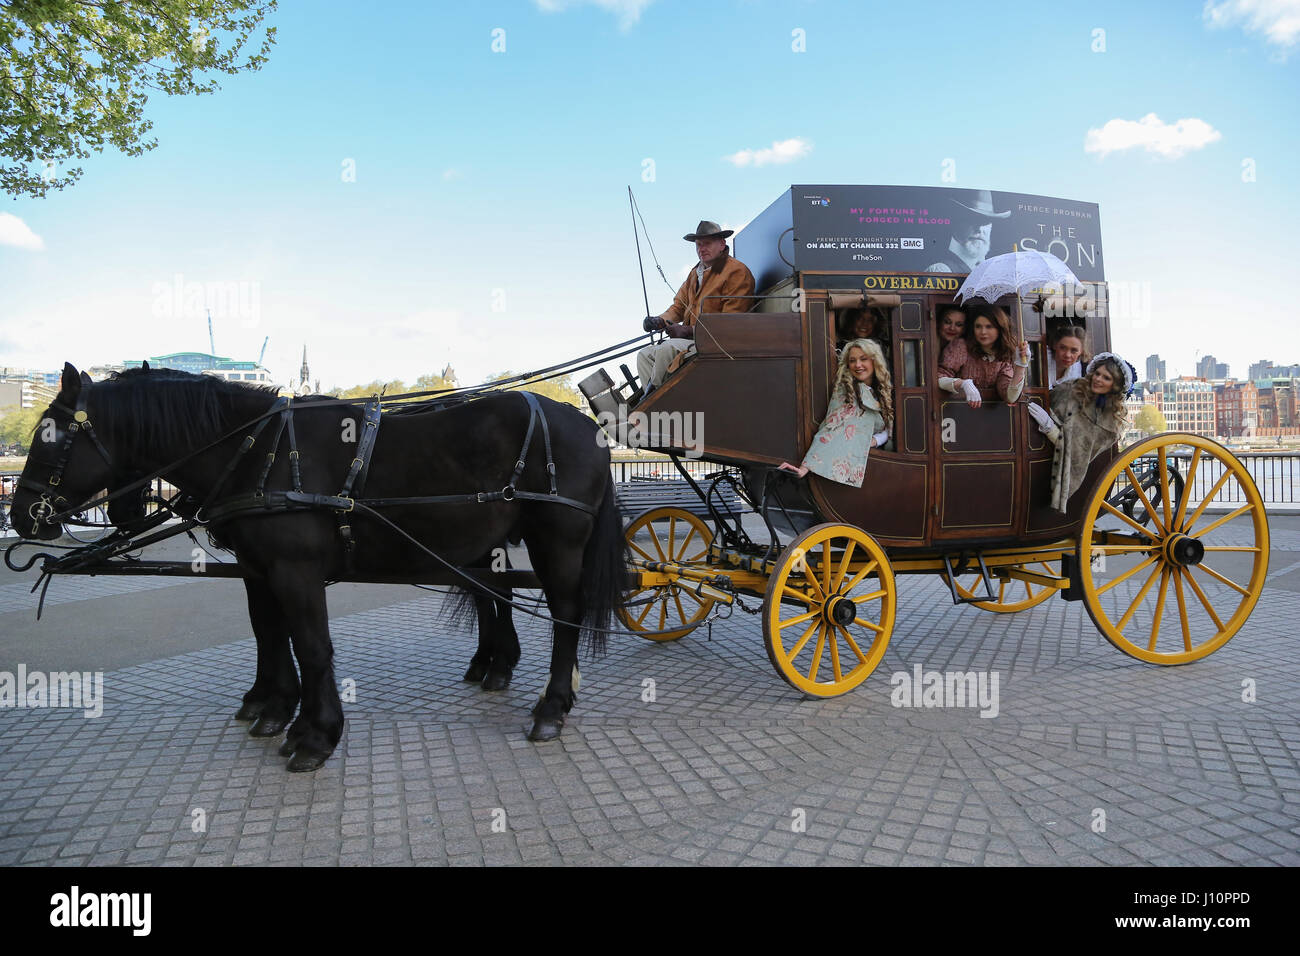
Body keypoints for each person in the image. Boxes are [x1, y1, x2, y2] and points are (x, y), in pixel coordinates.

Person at [636, 220, 755, 393]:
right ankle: (659, 398)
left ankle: (653, 399)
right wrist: (659, 321)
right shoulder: (695, 274)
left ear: (722, 244)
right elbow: (678, 307)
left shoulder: (736, 272)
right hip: (692, 341)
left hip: (718, 345)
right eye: (698, 244)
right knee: (644, 355)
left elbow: (730, 323)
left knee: (666, 349)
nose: (701, 249)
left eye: (707, 243)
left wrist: (688, 331)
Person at [1028, 352, 1135, 513]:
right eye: (1097, 373)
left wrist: (1049, 427)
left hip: (1049, 470)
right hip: (1032, 446)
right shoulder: (1071, 387)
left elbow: (1078, 454)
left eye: (1106, 378)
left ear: (1115, 385)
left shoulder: (1109, 426)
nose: (1098, 379)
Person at [778, 338, 893, 487]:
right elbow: (831, 429)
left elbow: (889, 428)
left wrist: (877, 439)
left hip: (882, 470)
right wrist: (804, 468)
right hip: (859, 469)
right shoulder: (847, 391)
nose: (858, 365)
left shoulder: (883, 390)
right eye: (852, 361)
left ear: (874, 361)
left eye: (863, 359)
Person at [938, 302, 1030, 408]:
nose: (983, 332)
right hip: (954, 411)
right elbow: (939, 378)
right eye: (978, 326)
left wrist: (1020, 367)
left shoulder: (1003, 357)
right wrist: (963, 383)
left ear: (999, 329)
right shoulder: (961, 346)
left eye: (989, 327)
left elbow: (1010, 397)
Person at [924, 190, 1010, 274]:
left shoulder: (992, 271)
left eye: (986, 221)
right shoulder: (942, 271)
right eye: (972, 219)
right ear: (955, 222)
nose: (979, 229)